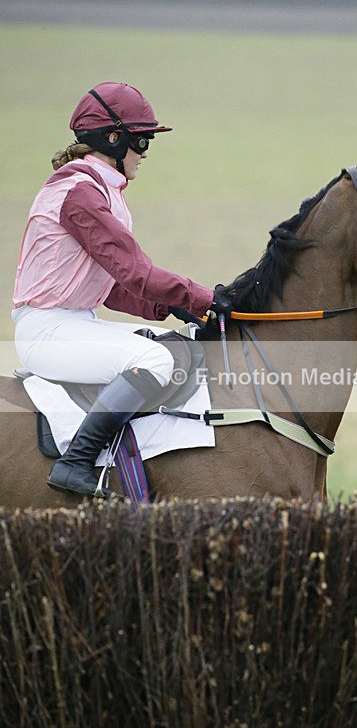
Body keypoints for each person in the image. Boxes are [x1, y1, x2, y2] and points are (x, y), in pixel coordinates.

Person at [12, 81, 230, 497]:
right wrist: (204, 298)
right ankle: (75, 462)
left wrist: (171, 310)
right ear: (113, 139)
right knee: (155, 360)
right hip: (48, 331)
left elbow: (111, 287)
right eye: (141, 140)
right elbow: (136, 272)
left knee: (170, 345)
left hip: (72, 322)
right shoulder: (80, 194)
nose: (146, 151)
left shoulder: (95, 188)